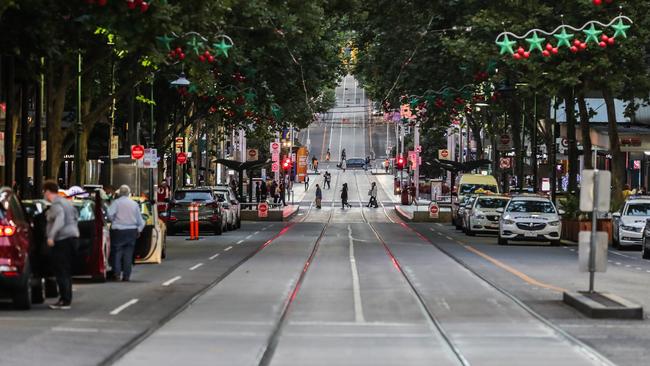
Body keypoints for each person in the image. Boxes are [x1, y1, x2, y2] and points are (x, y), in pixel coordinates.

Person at [44, 180, 80, 310]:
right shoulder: (66, 202)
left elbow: (60, 219)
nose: (44, 194)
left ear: (48, 191)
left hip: (63, 239)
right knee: (66, 270)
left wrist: (51, 236)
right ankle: (66, 298)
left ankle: (64, 300)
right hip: (72, 237)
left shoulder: (57, 204)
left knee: (61, 270)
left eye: (44, 192)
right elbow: (76, 216)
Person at [107, 185, 145, 282]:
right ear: (128, 193)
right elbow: (141, 221)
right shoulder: (134, 204)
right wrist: (138, 230)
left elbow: (109, 215)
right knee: (128, 254)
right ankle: (126, 276)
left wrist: (114, 220)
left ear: (119, 193)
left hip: (118, 231)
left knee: (117, 252)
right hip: (131, 231)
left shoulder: (116, 203)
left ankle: (117, 274)